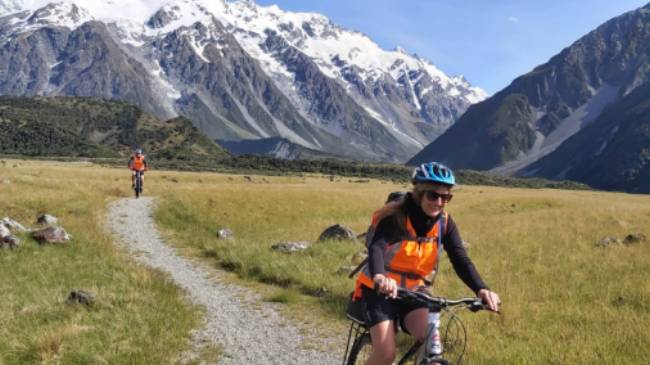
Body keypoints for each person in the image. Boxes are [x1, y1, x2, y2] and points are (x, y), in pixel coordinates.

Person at [352, 161, 500, 365]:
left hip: (415, 292)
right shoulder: (397, 217)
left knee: (431, 347)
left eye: (446, 197)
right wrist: (380, 277)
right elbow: (377, 247)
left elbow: (460, 259)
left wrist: (481, 289)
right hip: (379, 291)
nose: (439, 202)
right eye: (433, 195)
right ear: (419, 193)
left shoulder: (445, 223)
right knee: (386, 354)